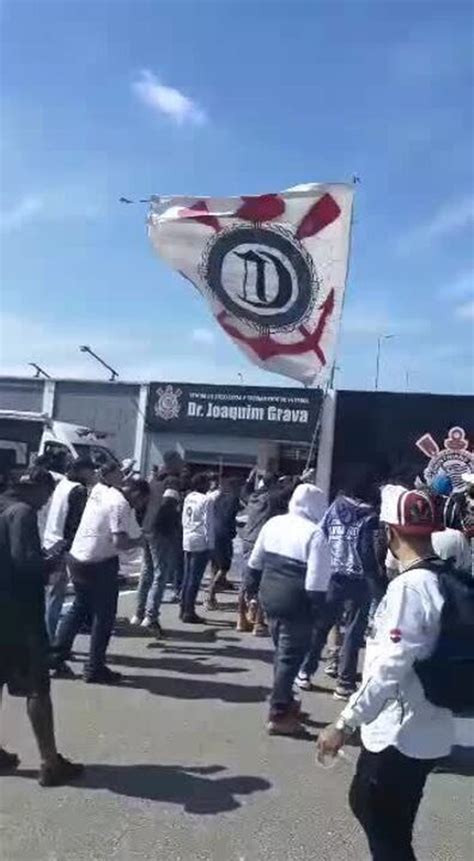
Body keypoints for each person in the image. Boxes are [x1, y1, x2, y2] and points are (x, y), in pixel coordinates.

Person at [317, 485, 454, 861]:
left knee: (378, 818)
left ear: (390, 533)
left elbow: (389, 666)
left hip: (399, 732)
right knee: (391, 826)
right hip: (432, 727)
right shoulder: (445, 577)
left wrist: (343, 724)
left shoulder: (410, 588)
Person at [0, 467, 83, 786]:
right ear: (35, 489)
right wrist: (52, 560)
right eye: (46, 495)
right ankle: (50, 763)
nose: (46, 501)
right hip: (19, 615)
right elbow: (26, 564)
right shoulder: (21, 513)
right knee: (37, 687)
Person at [244, 484, 330, 735]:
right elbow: (316, 582)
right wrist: (319, 612)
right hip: (297, 603)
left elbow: (254, 562)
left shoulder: (274, 524)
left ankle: (287, 700)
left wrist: (250, 590)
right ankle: (279, 714)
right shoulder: (315, 534)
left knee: (282, 654)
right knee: (290, 657)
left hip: (270, 598)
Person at [52, 466, 148, 684]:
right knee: (103, 617)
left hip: (77, 557)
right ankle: (94, 667)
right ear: (137, 495)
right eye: (142, 502)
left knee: (79, 607)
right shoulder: (120, 504)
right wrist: (139, 542)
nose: (140, 507)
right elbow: (120, 542)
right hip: (99, 563)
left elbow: (101, 477)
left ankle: (55, 655)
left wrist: (116, 473)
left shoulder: (101, 490)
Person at [297, 479, 382, 700]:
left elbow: (320, 535)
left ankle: (305, 672)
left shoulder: (334, 508)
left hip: (332, 576)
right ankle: (344, 683)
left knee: (321, 627)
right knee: (353, 632)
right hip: (359, 580)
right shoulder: (371, 517)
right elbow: (369, 551)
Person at [237, 470, 299, 634]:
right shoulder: (271, 498)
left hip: (247, 540)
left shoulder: (252, 497)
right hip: (263, 543)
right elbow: (289, 491)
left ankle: (241, 620)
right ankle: (258, 622)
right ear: (273, 484)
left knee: (246, 581)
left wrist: (250, 477)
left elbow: (244, 490)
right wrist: (299, 478)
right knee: (263, 583)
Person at [43, 457, 96, 642]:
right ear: (81, 470)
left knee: (53, 595)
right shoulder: (78, 490)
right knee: (64, 596)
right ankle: (52, 642)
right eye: (90, 471)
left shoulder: (62, 485)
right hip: (66, 547)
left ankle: (50, 638)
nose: (92, 475)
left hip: (51, 542)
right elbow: (77, 522)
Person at [131, 452, 183, 632]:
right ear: (174, 463)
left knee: (146, 571)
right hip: (162, 531)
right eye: (180, 462)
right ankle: (151, 615)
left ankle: (138, 613)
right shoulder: (172, 481)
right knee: (161, 573)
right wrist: (171, 525)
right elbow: (169, 503)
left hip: (147, 528)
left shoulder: (154, 480)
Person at [181, 473, 212, 623]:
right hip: (200, 539)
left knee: (187, 576)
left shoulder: (189, 497)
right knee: (195, 577)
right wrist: (210, 544)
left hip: (187, 535)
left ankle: (183, 608)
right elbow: (208, 523)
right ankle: (189, 611)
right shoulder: (206, 500)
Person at [206, 477, 240, 610]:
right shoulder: (234, 499)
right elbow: (229, 517)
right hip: (223, 534)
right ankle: (210, 595)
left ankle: (213, 595)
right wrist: (234, 529)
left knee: (215, 565)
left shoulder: (218, 498)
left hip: (212, 532)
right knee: (225, 566)